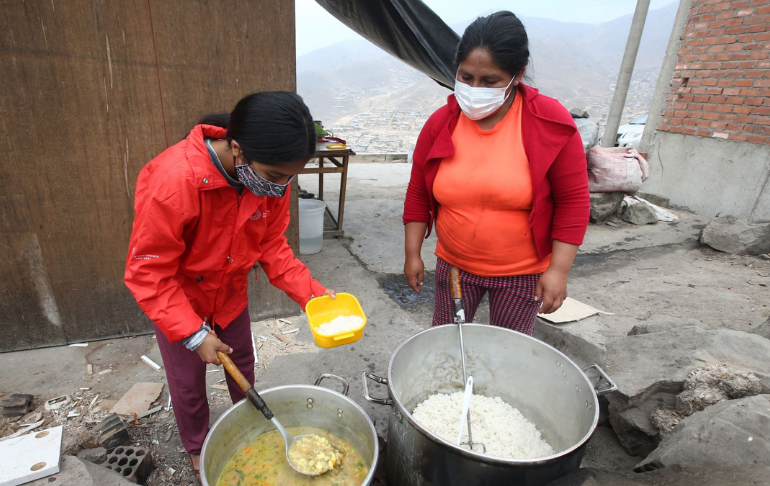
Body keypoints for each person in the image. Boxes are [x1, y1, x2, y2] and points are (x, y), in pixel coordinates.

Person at [124, 91, 333, 483]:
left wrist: (314, 295)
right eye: (275, 176)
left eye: (291, 177)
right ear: (237, 148)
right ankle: (198, 446)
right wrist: (192, 333)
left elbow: (272, 247)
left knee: (243, 366)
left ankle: (255, 427)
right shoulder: (175, 181)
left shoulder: (271, 179)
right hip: (179, 303)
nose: (282, 186)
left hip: (230, 296)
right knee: (187, 382)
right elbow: (148, 272)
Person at [403, 11, 590, 335]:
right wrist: (412, 253)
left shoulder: (548, 120)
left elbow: (573, 201)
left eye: (489, 81)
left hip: (522, 273)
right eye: (466, 77)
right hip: (454, 267)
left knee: (508, 350)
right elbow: (419, 190)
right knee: (448, 343)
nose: (475, 89)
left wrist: (559, 270)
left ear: (517, 75)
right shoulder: (441, 123)